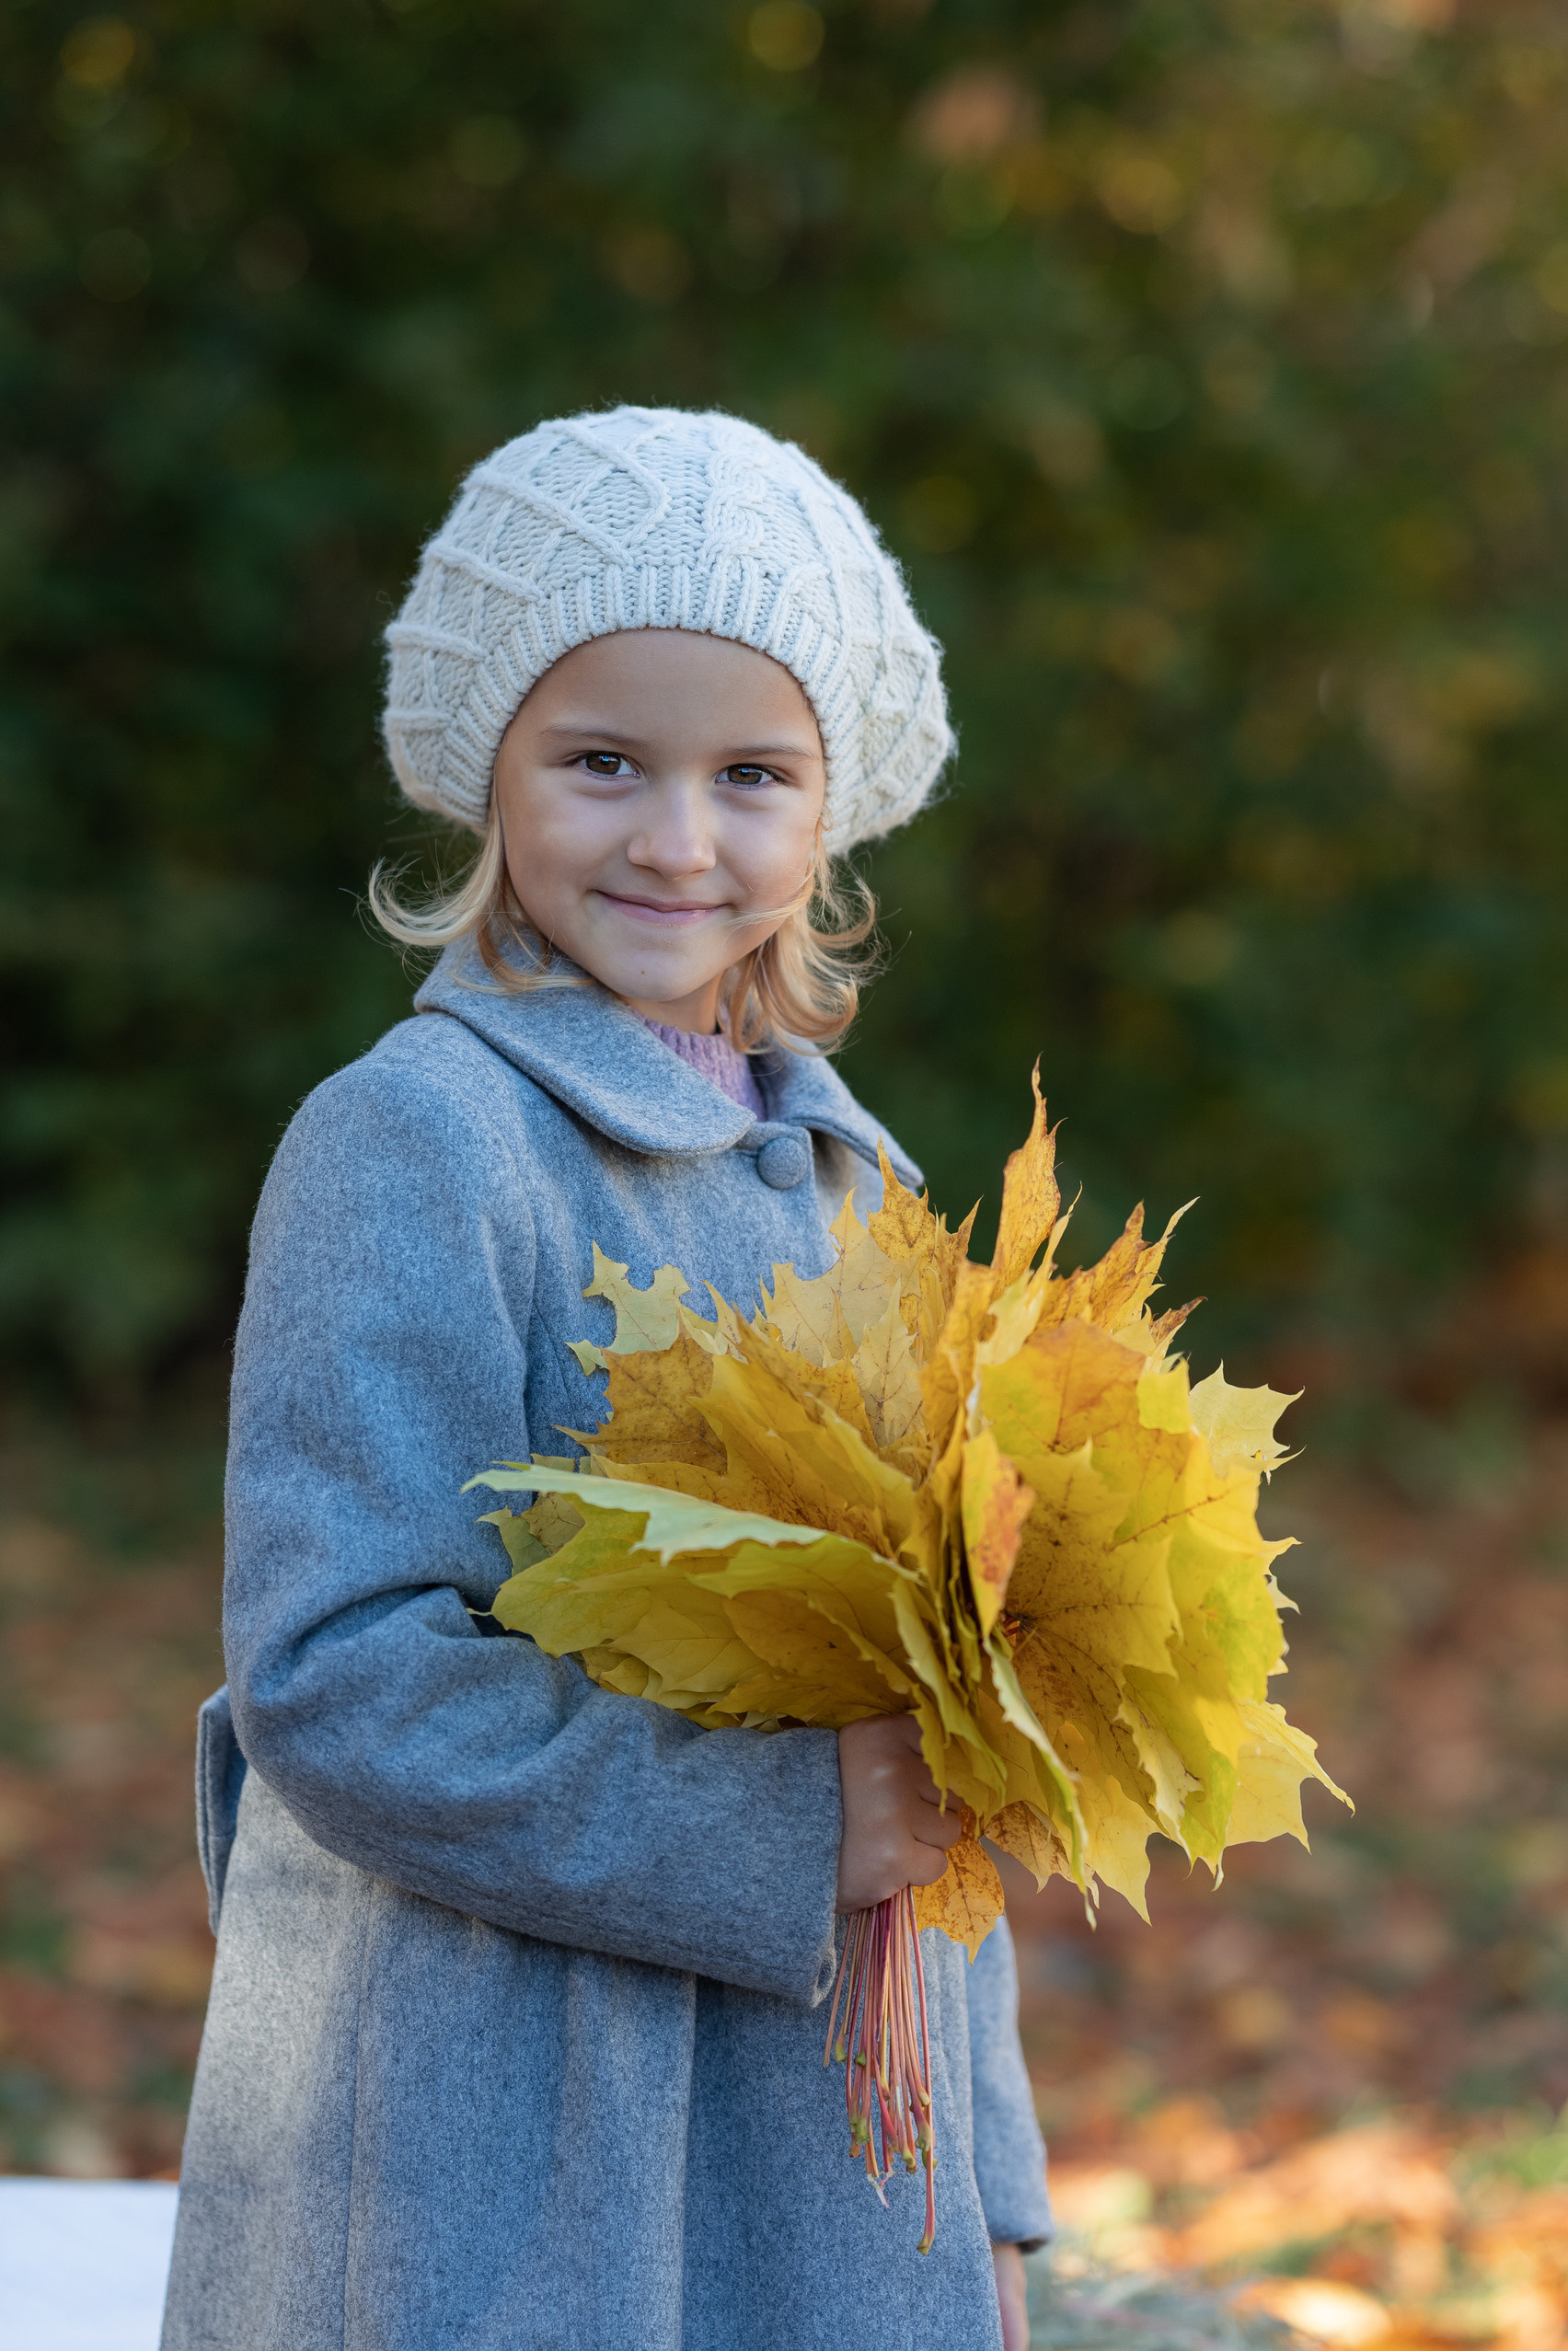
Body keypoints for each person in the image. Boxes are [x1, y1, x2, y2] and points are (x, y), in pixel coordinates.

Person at [161, 406, 1051, 2351]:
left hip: (832, 2159)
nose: (675, 837)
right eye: (602, 762)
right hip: (493, 2136)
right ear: (490, 771)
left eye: (752, 775)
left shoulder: (863, 1183)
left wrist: (986, 2186)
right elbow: (341, 1668)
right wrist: (784, 1828)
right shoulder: (419, 1142)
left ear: (830, 811)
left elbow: (940, 1745)